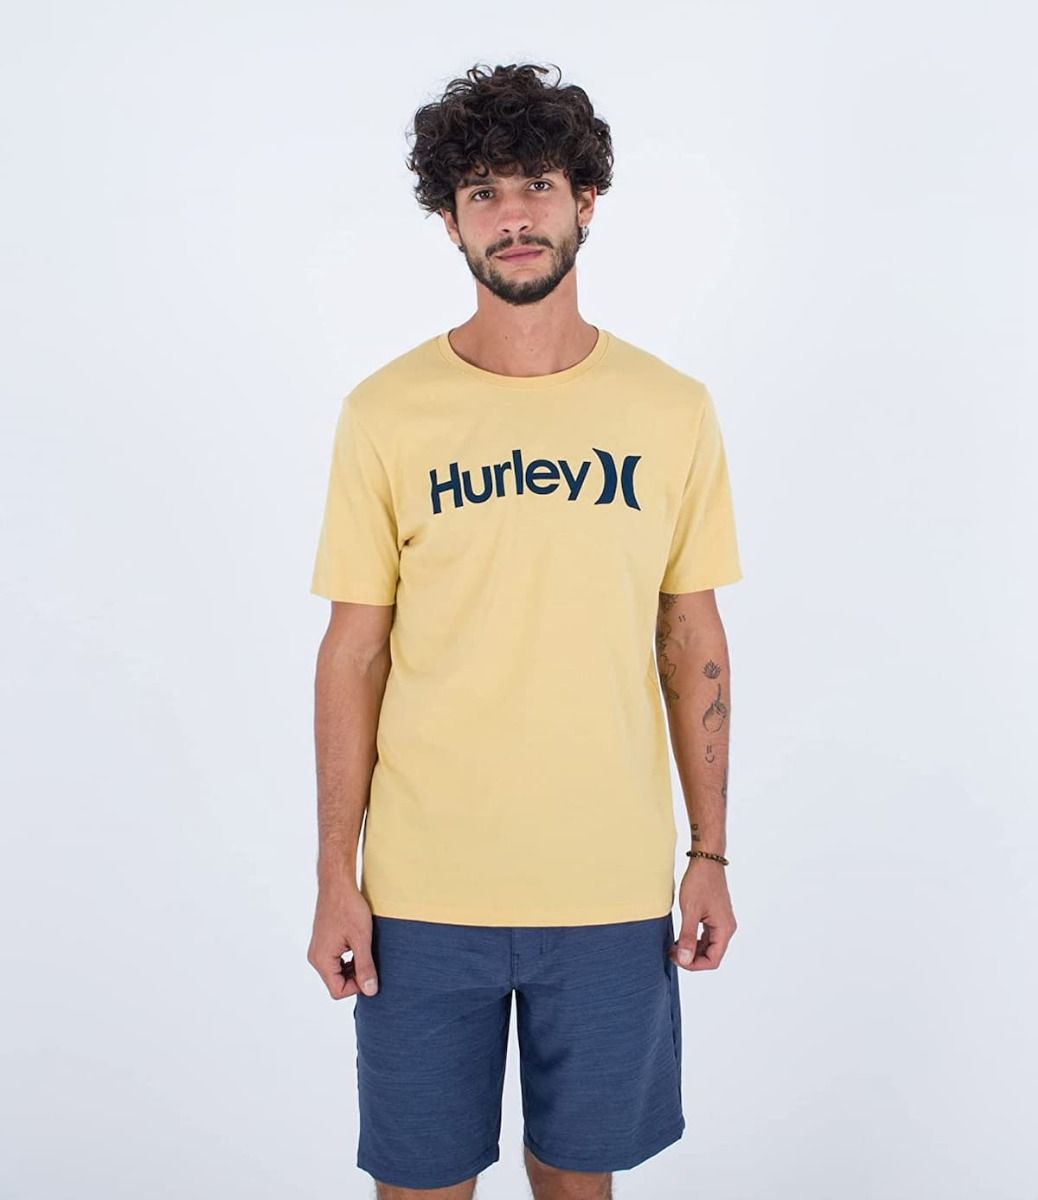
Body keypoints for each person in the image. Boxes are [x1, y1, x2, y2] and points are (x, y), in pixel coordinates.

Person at [306, 61, 743, 1200]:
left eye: (537, 185)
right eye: (483, 193)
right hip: (420, 894)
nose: (513, 216)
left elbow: (691, 639)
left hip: (608, 888)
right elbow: (353, 652)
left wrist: (708, 854)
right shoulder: (385, 414)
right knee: (419, 1183)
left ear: (585, 201)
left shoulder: (671, 410)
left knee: (578, 1182)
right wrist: (334, 875)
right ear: (449, 221)